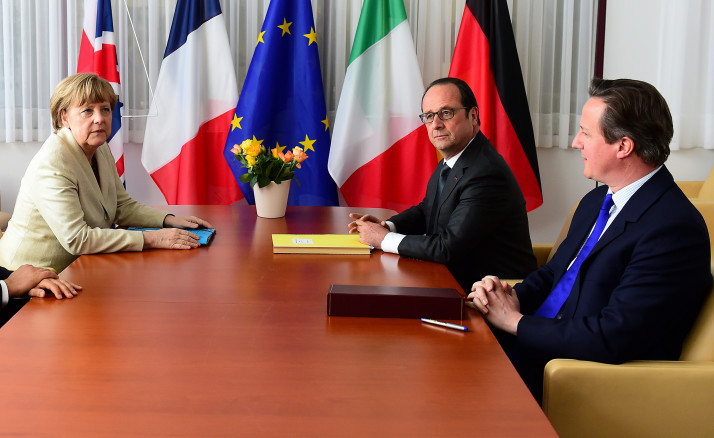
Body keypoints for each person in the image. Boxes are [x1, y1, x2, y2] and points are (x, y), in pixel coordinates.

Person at [467, 78, 713, 402]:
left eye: (585, 132)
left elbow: (614, 335)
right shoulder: (596, 201)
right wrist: (499, 299)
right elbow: (555, 276)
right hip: (537, 347)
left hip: (580, 379)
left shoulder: (673, 229)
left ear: (623, 146)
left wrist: (516, 323)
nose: (575, 142)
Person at [0, 73, 213, 273]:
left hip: (79, 267)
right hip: (30, 275)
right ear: (64, 117)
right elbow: (77, 239)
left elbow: (121, 206)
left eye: (105, 109)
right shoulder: (52, 164)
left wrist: (168, 220)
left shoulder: (98, 146)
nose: (99, 119)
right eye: (87, 111)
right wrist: (153, 238)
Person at [349, 77, 536, 292]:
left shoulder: (486, 173)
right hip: (453, 279)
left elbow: (446, 248)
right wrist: (388, 226)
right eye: (429, 116)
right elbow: (427, 209)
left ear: (473, 116)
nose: (436, 124)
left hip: (493, 295)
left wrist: (384, 239)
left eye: (446, 113)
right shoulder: (455, 159)